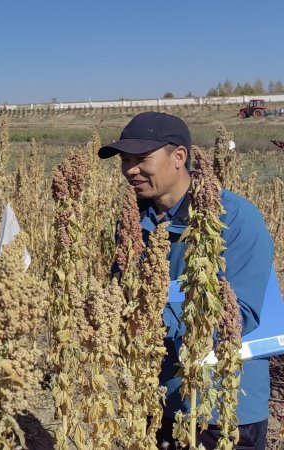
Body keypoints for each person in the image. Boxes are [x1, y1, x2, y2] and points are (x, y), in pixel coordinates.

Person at [99, 111, 274, 450]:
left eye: (140, 159)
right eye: (125, 161)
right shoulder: (135, 221)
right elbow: (122, 289)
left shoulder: (233, 218)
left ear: (179, 156)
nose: (130, 170)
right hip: (158, 396)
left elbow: (242, 312)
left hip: (222, 409)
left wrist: (148, 319)